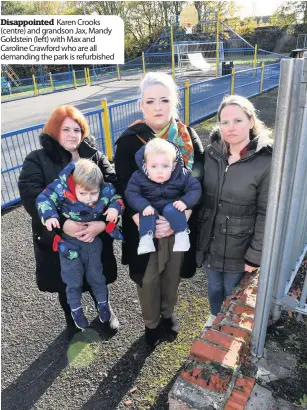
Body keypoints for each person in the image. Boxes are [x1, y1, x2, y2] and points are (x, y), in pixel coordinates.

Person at [114, 72, 204, 347]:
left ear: (174, 102)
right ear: (141, 105)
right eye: (150, 100)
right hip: (146, 226)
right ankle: (151, 323)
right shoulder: (130, 141)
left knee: (172, 276)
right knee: (148, 279)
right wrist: (143, 218)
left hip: (178, 225)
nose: (157, 106)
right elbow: (123, 186)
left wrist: (184, 215)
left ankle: (167, 314)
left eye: (164, 100)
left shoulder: (187, 137)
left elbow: (200, 179)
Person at [18, 105, 120, 341]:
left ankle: (104, 309)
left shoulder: (93, 155)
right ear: (55, 130)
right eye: (66, 129)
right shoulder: (38, 159)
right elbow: (31, 194)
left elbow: (114, 184)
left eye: (77, 129)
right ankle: (71, 317)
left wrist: (103, 224)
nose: (72, 135)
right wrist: (63, 223)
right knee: (66, 280)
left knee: (97, 273)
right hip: (58, 236)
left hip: (94, 233)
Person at [196, 94, 273, 327]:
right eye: (225, 122)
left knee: (232, 289)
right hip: (210, 240)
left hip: (240, 246)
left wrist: (255, 253)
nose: (230, 128)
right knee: (213, 286)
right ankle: (214, 316)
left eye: (238, 121)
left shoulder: (266, 161)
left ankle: (229, 326)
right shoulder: (211, 154)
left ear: (251, 121)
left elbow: (266, 212)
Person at [36, 159, 124, 330]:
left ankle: (103, 305)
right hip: (68, 244)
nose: (89, 200)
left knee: (97, 277)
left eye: (93, 194)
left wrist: (115, 208)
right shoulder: (62, 188)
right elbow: (44, 198)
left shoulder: (104, 189)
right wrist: (50, 216)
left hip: (92, 241)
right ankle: (76, 310)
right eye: (83, 194)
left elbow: (116, 197)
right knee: (73, 280)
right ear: (74, 185)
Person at [125, 138, 201, 255]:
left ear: (174, 165)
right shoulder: (138, 177)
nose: (159, 171)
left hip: (173, 206)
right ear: (145, 166)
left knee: (173, 209)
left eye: (165, 166)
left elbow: (195, 188)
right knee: (146, 213)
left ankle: (182, 234)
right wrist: (143, 206)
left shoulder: (183, 174)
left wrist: (185, 202)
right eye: (154, 166)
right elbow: (131, 193)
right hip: (151, 206)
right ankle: (146, 239)